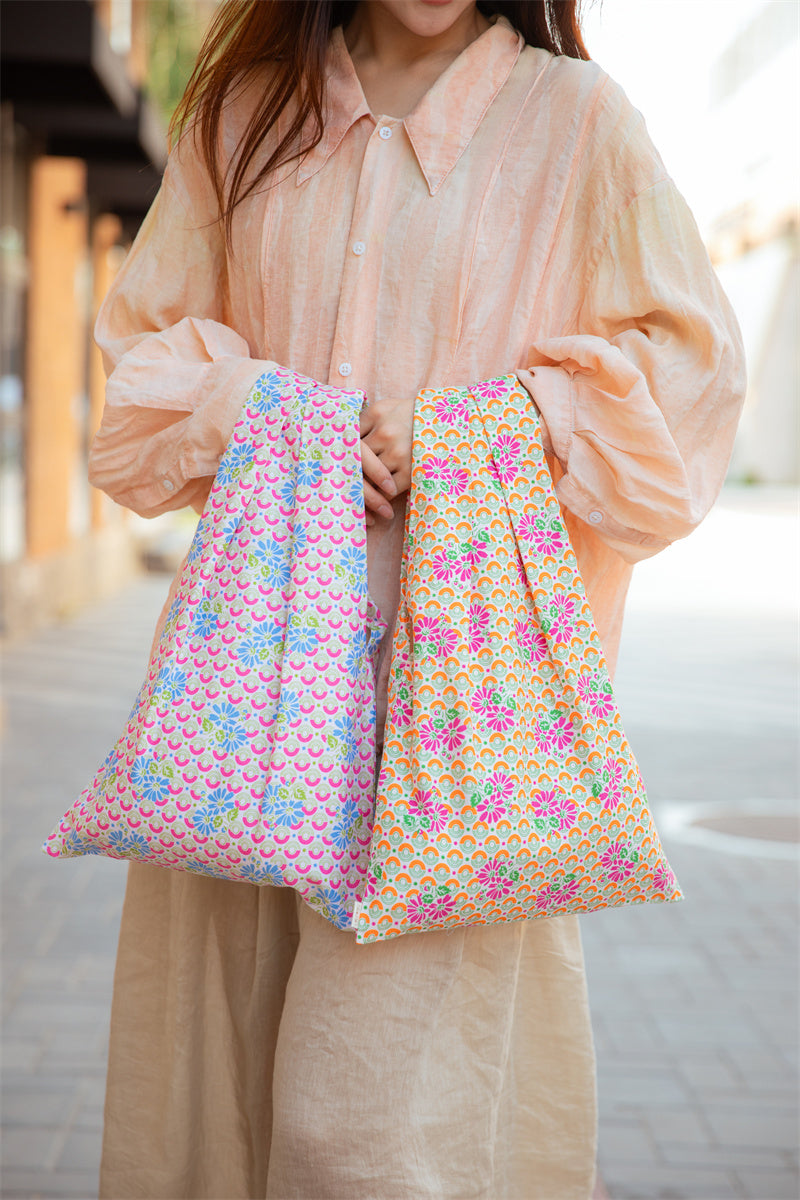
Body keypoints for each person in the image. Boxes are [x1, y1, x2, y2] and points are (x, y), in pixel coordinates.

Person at [89, 2, 745, 1197]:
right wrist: (269, 412)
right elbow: (140, 367)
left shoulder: (577, 122)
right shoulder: (244, 113)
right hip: (251, 708)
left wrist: (498, 419)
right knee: (221, 1115)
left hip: (453, 741)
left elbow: (690, 386)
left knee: (357, 1145)